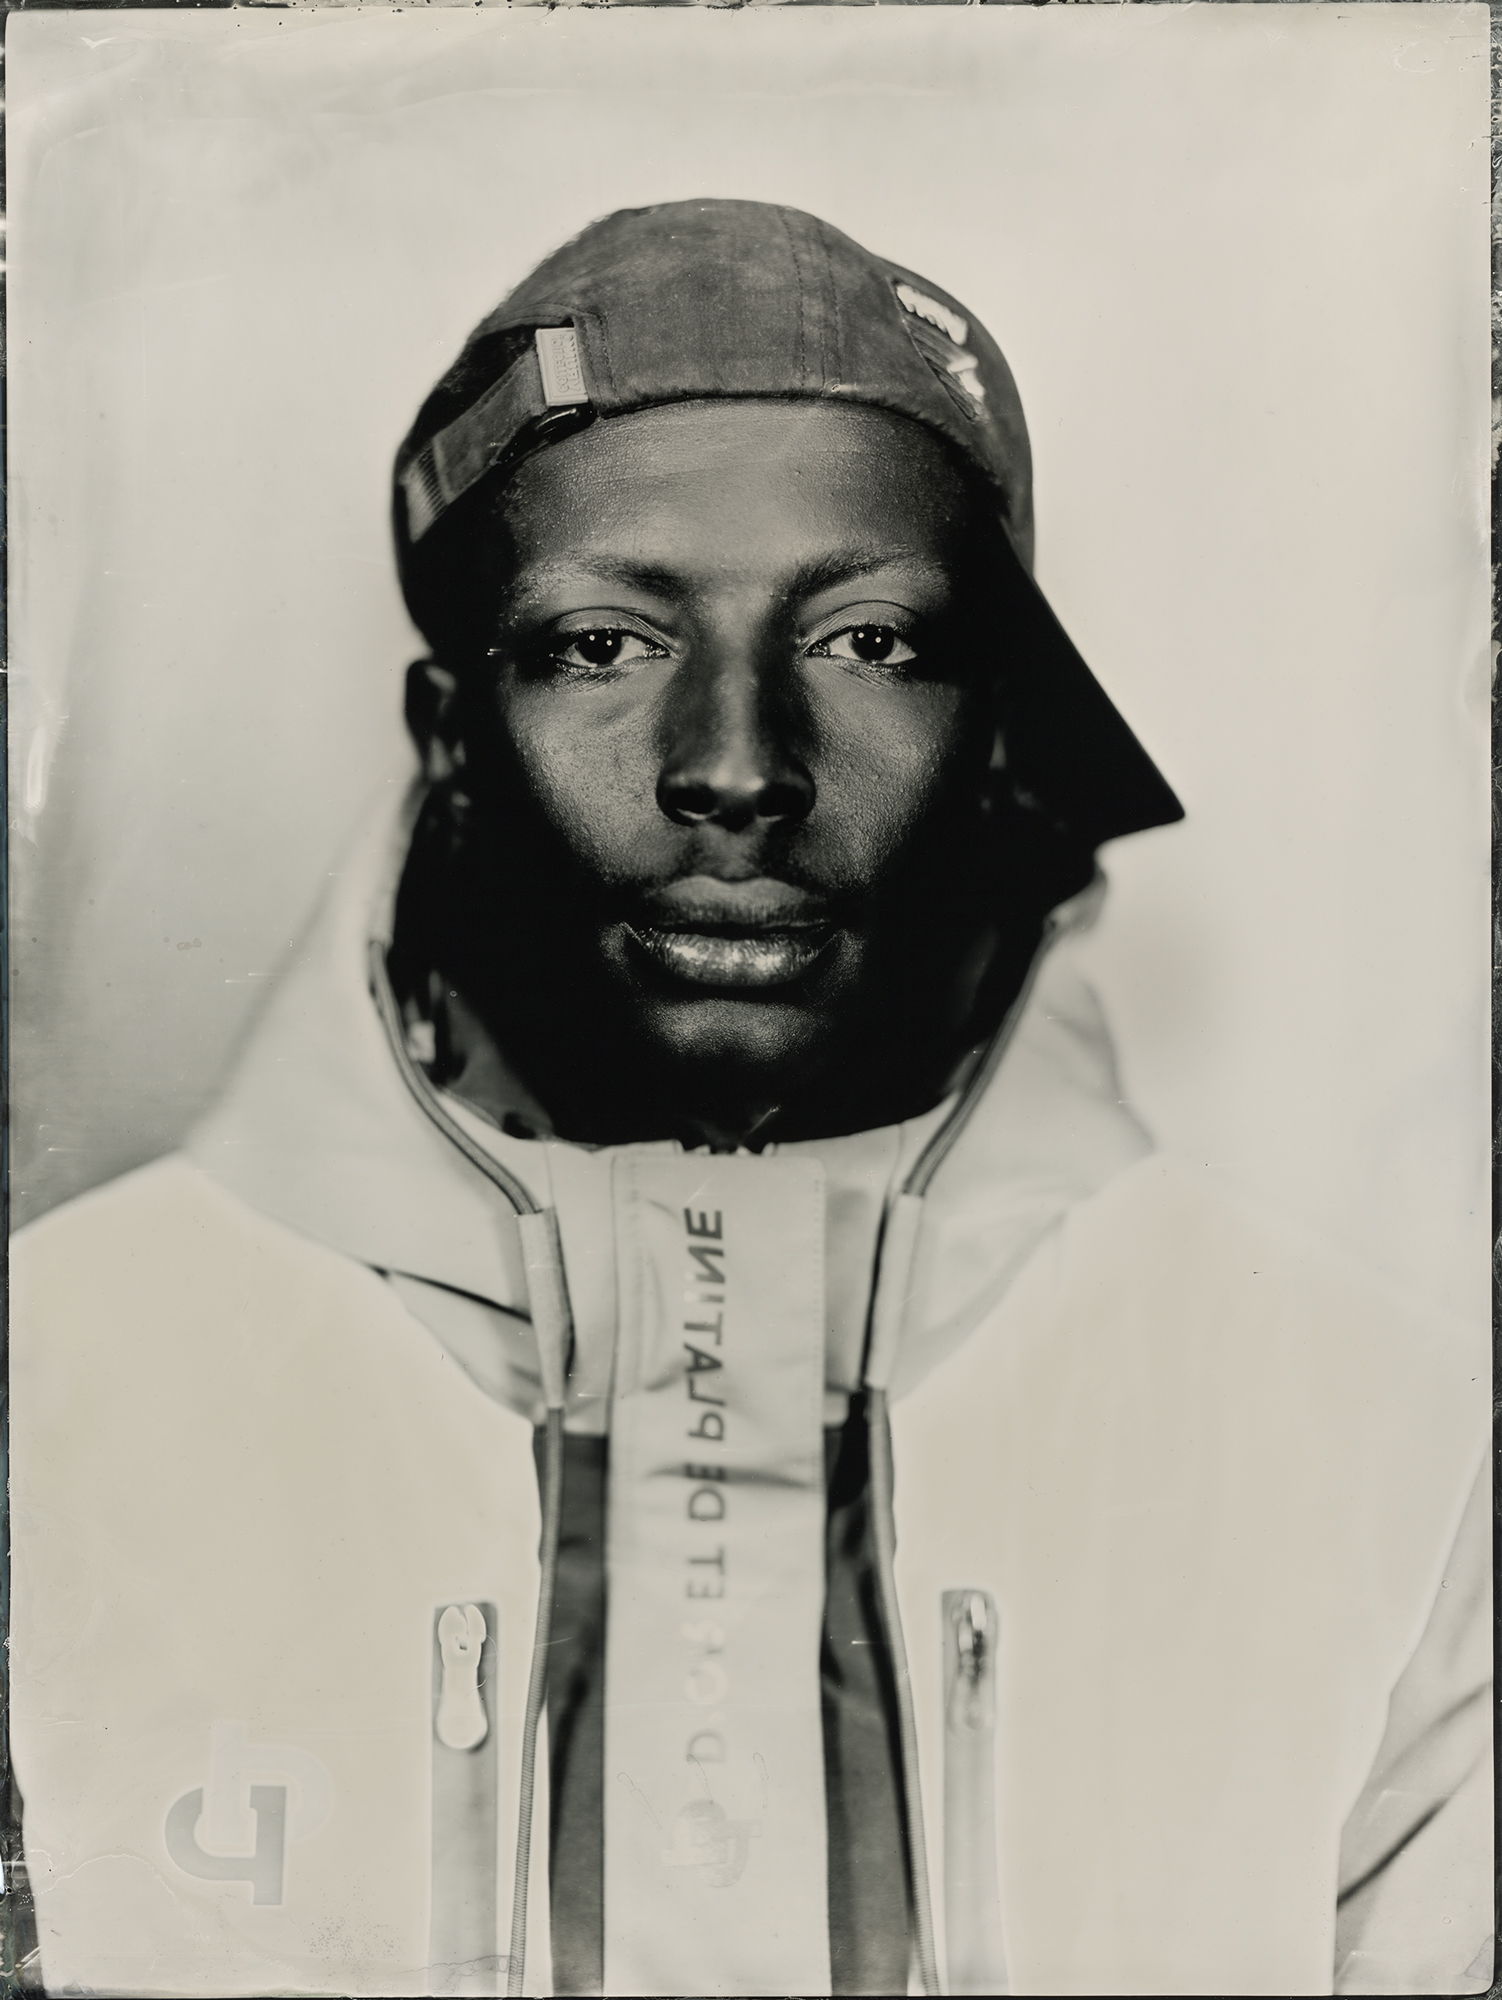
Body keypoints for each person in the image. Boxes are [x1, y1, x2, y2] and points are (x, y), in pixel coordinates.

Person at [9, 200, 1488, 1999]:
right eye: (600, 643)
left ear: (995, 739)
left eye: (868, 641)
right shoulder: (46, 1403)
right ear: (450, 737)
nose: (734, 766)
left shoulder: (1393, 1456)